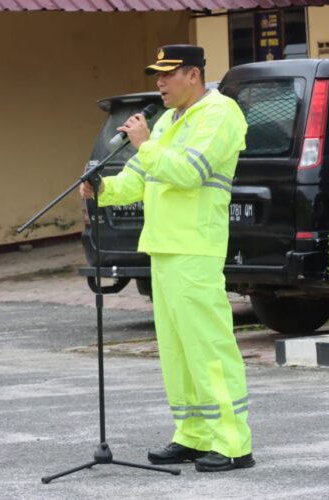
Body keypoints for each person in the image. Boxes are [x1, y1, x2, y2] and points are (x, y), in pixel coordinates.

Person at [80, 45, 253, 472]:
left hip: (196, 247)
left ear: (192, 75)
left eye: (167, 75)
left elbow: (188, 174)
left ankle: (233, 443)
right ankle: (192, 434)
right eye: (157, 76)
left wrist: (144, 145)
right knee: (177, 351)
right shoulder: (169, 121)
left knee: (208, 347)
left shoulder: (219, 113)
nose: (159, 84)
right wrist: (103, 189)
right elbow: (139, 180)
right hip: (164, 247)